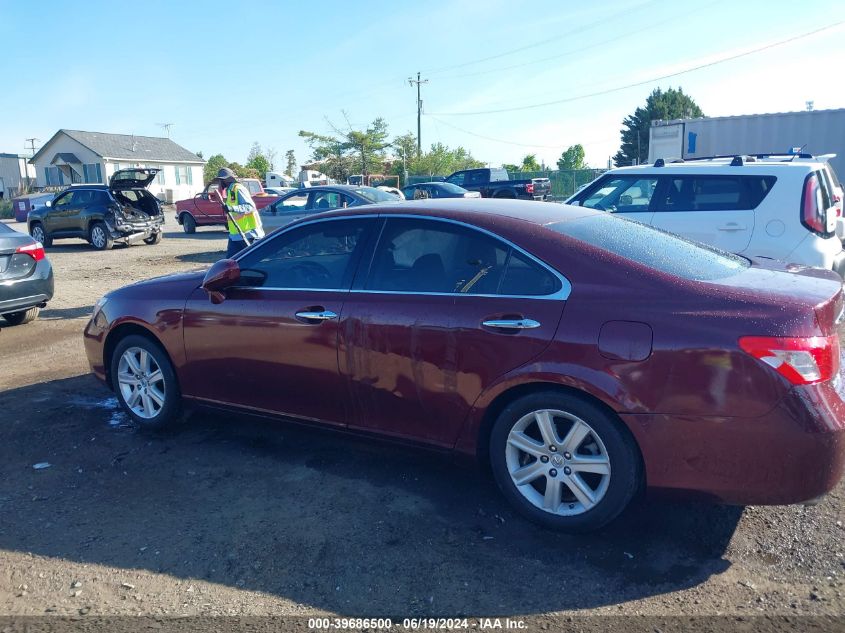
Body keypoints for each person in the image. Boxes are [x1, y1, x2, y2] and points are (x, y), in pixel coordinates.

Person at [217, 168, 264, 258]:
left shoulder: (238, 189)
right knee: (231, 262)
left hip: (248, 234)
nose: (219, 183)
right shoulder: (230, 191)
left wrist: (232, 208)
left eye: (220, 180)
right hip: (235, 235)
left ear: (225, 180)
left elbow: (250, 206)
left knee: (248, 261)